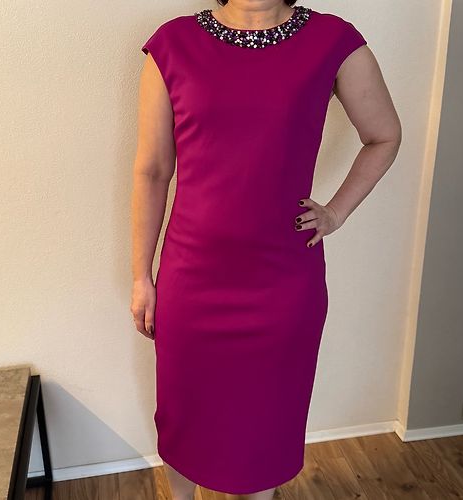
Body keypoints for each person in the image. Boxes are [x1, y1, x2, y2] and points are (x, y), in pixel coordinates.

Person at [130, 1, 401, 499]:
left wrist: (335, 212)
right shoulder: (173, 44)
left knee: (265, 425)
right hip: (192, 277)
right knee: (185, 413)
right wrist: (140, 276)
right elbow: (153, 171)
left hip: (283, 281)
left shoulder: (332, 41)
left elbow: (384, 136)